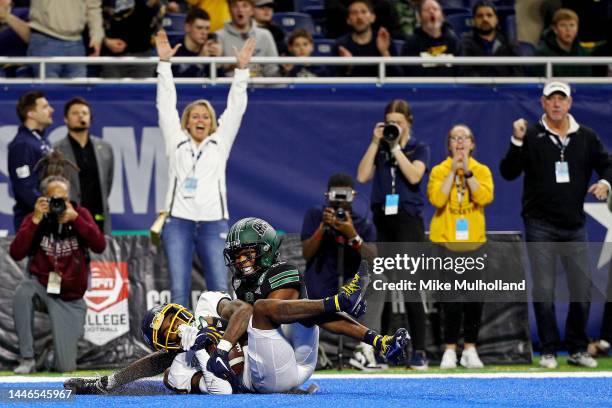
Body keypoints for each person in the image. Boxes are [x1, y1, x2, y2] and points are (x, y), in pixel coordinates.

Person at [65, 217, 409, 394]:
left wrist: (219, 343)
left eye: (249, 252)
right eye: (238, 254)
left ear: (266, 249)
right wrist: (110, 381)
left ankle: (346, 306)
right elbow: (165, 360)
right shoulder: (228, 300)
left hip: (290, 355)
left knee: (267, 308)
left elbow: (291, 314)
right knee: (271, 308)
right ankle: (345, 305)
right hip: (265, 367)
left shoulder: (276, 273)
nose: (242, 260)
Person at [500, 80, 612, 369]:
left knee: (582, 291)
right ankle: (548, 350)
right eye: (552, 99)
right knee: (545, 290)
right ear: (543, 103)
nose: (557, 104)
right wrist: (516, 140)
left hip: (574, 225)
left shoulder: (586, 136)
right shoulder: (531, 134)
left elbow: (608, 164)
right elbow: (508, 171)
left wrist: (605, 182)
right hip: (540, 224)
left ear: (570, 103)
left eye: (562, 99)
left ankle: (577, 348)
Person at [155, 30, 255, 307]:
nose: (200, 120)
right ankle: (177, 349)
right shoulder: (175, 141)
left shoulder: (219, 142)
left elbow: (235, 109)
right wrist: (164, 65)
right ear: (186, 121)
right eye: (195, 116)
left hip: (214, 223)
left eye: (206, 117)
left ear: (212, 123)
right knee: (178, 290)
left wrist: (242, 71)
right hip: (178, 222)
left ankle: (224, 344)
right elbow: (165, 106)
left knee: (220, 289)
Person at [356, 99, 430, 369]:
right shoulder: (380, 147)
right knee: (383, 284)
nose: (394, 127)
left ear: (408, 122)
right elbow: (362, 176)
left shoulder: (418, 147)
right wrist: (376, 143)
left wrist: (396, 146)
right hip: (382, 220)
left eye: (399, 122)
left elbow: (413, 176)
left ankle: (419, 351)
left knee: (410, 286)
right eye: (390, 123)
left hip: (408, 221)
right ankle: (383, 350)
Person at [10, 175, 106, 373]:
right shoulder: (36, 217)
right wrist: (35, 220)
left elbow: (100, 245)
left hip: (70, 298)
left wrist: (77, 220)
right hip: (42, 288)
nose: (58, 203)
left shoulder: (80, 214)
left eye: (62, 199)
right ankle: (27, 359)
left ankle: (52, 356)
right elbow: (16, 253)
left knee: (65, 367)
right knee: (23, 291)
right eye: (53, 198)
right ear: (44, 199)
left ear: (69, 198)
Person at [427, 124, 494, 369]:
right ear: (449, 144)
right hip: (446, 244)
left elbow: (485, 198)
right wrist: (451, 172)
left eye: (464, 137)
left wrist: (466, 172)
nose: (460, 142)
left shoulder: (481, 170)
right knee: (450, 299)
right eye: (455, 137)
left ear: (472, 143)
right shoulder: (439, 170)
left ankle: (470, 349)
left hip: (474, 244)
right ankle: (449, 350)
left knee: (475, 299)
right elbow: (437, 199)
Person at [301, 173, 383, 369]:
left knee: (380, 279)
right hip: (319, 284)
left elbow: (374, 258)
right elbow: (306, 253)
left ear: (353, 195)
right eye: (336, 194)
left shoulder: (361, 223)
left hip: (350, 287)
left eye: (344, 195)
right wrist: (323, 227)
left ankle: (365, 349)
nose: (339, 200)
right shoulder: (316, 214)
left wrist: (352, 234)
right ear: (327, 195)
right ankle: (312, 350)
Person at [53, 97, 114, 235]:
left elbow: (107, 183)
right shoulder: (56, 150)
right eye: (75, 113)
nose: (80, 116)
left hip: (98, 215)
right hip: (70, 216)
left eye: (84, 113)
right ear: (65, 119)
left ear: (90, 118)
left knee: (100, 254)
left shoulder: (104, 148)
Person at [8, 91, 54, 232]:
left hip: (46, 216)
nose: (51, 110)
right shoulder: (22, 144)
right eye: (45, 107)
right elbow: (25, 187)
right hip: (34, 220)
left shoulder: (41, 140)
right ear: (31, 114)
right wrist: (50, 209)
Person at [26, 0, 104, 78]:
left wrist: (97, 36)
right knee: (48, 89)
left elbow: (93, 7)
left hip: (76, 44)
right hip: (45, 38)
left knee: (78, 89)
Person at [100, 0, 166, 78]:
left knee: (140, 89)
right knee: (112, 89)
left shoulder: (154, 3)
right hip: (111, 55)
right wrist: (106, 41)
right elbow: (94, 19)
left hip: (142, 55)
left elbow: (157, 27)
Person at [336, 0, 401, 77]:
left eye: (363, 12)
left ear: (373, 18)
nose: (359, 17)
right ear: (348, 20)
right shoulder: (341, 45)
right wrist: (349, 67)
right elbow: (332, 83)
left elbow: (398, 77)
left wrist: (384, 52)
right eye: (354, 13)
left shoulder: (384, 40)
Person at [458, 0, 523, 77]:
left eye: (489, 15)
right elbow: (466, 72)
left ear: (496, 20)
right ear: (474, 21)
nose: (485, 19)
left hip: (505, 87)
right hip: (477, 87)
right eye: (480, 16)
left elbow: (518, 72)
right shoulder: (465, 43)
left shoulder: (508, 42)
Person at [216, 0, 280, 77]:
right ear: (229, 10)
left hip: (261, 87)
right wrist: (236, 66)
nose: (240, 10)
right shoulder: (218, 36)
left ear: (252, 11)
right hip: (230, 87)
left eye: (245, 5)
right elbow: (216, 71)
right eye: (235, 6)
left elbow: (272, 70)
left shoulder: (265, 35)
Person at [401, 0, 459, 76]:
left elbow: (459, 70)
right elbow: (412, 72)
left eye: (435, 9)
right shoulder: (411, 43)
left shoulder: (452, 40)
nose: (432, 12)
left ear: (442, 16)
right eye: (427, 10)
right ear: (419, 17)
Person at [535, 8, 592, 77]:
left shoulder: (584, 54)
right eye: (563, 25)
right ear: (555, 29)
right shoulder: (542, 54)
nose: (568, 30)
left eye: (572, 25)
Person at [171, 8, 222, 78]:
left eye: (207, 28)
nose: (204, 32)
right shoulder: (173, 49)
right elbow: (175, 84)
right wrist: (200, 61)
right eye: (199, 28)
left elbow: (221, 84)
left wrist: (217, 62)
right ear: (187, 27)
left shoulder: (210, 49)